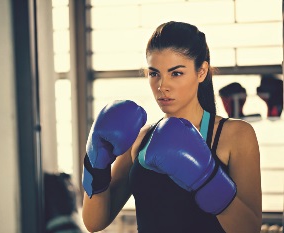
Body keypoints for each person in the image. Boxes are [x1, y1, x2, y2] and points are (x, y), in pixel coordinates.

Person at [81, 21, 262, 233]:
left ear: (201, 72)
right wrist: (95, 161)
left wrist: (207, 179)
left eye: (176, 73)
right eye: (154, 73)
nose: (162, 86)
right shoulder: (140, 140)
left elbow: (250, 229)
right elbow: (94, 223)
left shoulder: (235, 135)